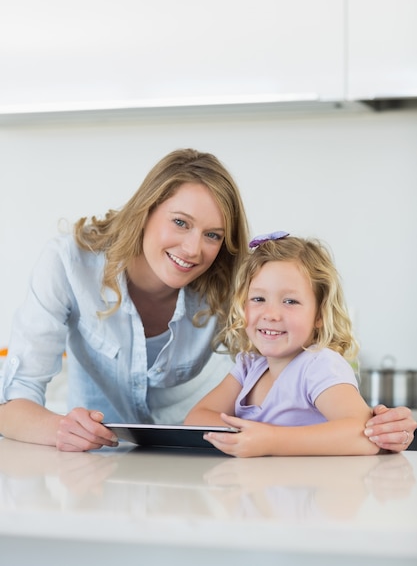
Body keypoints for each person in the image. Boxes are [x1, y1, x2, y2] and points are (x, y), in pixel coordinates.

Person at [0, 151, 415, 452]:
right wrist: (60, 429)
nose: (194, 249)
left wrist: (378, 425)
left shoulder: (235, 281)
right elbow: (11, 403)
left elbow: (342, 416)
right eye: (180, 222)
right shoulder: (68, 264)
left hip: (201, 458)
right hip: (102, 458)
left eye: (213, 235)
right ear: (145, 212)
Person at [185, 232, 415, 457]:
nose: (271, 314)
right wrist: (247, 437)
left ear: (320, 315)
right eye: (258, 299)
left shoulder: (318, 364)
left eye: (290, 301)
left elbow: (364, 434)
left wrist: (271, 441)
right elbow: (196, 418)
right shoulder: (249, 366)